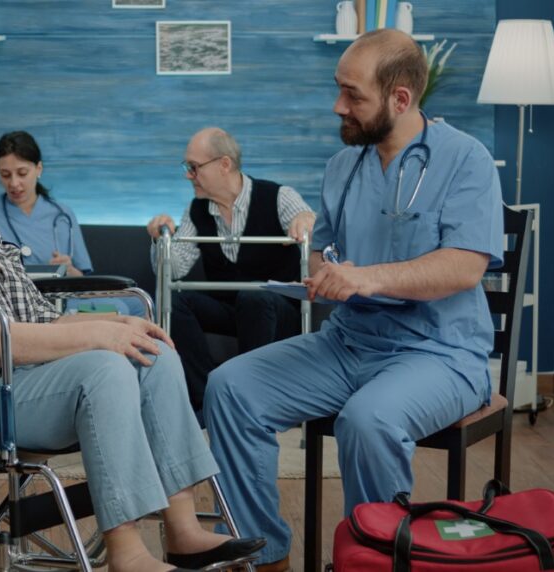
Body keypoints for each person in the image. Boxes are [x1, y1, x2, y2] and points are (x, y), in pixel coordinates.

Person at [0, 111, 265, 572]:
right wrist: (94, 337)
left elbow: (38, 317)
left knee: (150, 352)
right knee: (105, 368)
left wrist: (117, 325)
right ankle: (128, 555)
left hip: (24, 381)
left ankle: (183, 531)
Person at [203, 29, 503, 571]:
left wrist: (367, 278)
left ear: (401, 99)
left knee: (367, 421)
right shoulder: (344, 166)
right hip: (347, 343)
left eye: (353, 95)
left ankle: (375, 561)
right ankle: (263, 554)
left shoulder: (466, 160)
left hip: (440, 353)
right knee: (231, 388)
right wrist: (324, 275)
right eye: (338, 89)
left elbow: (464, 266)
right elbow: (322, 255)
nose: (338, 105)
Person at [146, 127, 316, 422]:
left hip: (278, 309)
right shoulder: (197, 210)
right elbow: (174, 270)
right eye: (188, 168)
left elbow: (310, 225)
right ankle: (206, 399)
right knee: (176, 301)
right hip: (231, 308)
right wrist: (160, 241)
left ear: (224, 164)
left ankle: (251, 401)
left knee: (255, 297)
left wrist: (307, 219)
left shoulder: (279, 196)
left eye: (194, 167)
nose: (188, 175)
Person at [0, 130, 145, 316]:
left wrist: (67, 269)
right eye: (5, 175)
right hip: (17, 298)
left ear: (39, 169)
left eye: (22, 173)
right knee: (120, 310)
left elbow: (83, 279)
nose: (14, 183)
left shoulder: (62, 214)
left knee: (136, 303)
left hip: (64, 294)